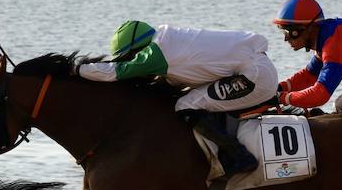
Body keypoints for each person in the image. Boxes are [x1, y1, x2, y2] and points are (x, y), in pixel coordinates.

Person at [74, 20, 278, 175]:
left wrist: (75, 68)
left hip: (254, 78)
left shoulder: (156, 54)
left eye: (131, 57)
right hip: (255, 67)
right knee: (192, 98)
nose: (134, 61)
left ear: (138, 48)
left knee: (186, 105)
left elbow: (114, 71)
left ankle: (240, 157)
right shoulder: (167, 40)